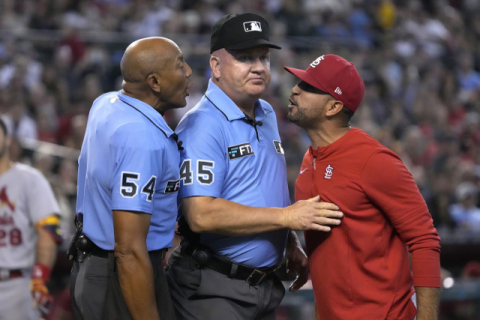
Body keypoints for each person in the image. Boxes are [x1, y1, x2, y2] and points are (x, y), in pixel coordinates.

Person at [165, 13, 343, 320]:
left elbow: (259, 187)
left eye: (264, 57)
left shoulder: (266, 112)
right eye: (245, 58)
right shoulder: (202, 125)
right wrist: (286, 216)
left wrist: (288, 240)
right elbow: (200, 214)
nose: (259, 67)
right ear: (216, 66)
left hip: (262, 287)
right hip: (213, 287)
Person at [285, 54, 441, 320]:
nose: (295, 89)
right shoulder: (309, 158)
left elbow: (424, 240)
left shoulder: (373, 160)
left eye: (309, 87)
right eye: (300, 82)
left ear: (333, 107)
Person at [70, 37, 192, 320]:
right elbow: (128, 249)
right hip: (120, 276)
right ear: (154, 82)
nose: (187, 71)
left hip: (90, 264)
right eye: (179, 65)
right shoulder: (142, 140)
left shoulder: (105, 102)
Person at [0, 117, 62, 320]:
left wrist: (39, 279)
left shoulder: (29, 179)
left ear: (8, 140)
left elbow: (48, 231)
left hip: (16, 285)